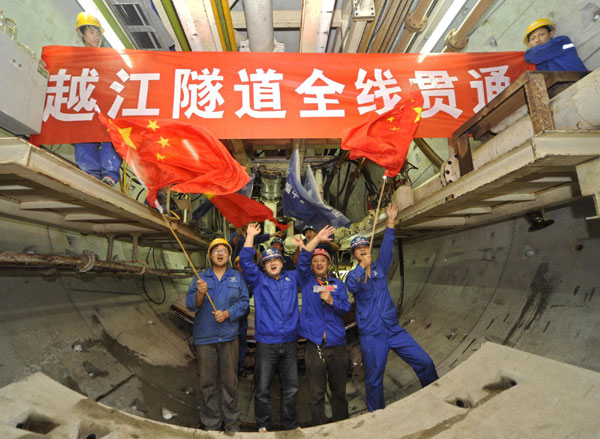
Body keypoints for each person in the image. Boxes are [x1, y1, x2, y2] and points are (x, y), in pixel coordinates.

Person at [345, 204, 438, 412]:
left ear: (369, 249)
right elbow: (351, 287)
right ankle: (377, 415)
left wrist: (390, 222)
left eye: (365, 247)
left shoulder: (380, 268)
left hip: (394, 330)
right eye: (358, 249)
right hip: (372, 335)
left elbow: (387, 247)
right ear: (355, 254)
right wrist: (362, 266)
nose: (363, 250)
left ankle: (435, 395)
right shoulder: (353, 275)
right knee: (374, 380)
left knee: (424, 362)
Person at [239, 223, 300, 432]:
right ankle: (263, 425)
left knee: (291, 387)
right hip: (266, 344)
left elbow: (308, 264)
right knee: (263, 388)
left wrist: (309, 243)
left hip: (290, 343)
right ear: (263, 266)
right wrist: (250, 236)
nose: (273, 263)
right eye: (268, 261)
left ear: (282, 263)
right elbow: (246, 261)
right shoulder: (259, 281)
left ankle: (290, 425)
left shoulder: (293, 278)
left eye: (276, 260)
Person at [185, 238, 249, 432]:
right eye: (216, 251)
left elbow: (244, 302)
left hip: (229, 337)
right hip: (206, 338)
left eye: (224, 251)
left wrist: (228, 313)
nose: (220, 254)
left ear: (229, 256)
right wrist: (200, 294)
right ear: (210, 255)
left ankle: (232, 423)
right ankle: (211, 422)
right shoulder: (201, 278)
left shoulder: (237, 277)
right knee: (207, 383)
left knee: (230, 382)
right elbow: (190, 304)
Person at [295, 225, 351, 426]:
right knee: (316, 394)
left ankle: (342, 427)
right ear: (312, 266)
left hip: (337, 345)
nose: (319, 263)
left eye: (322, 260)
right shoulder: (307, 281)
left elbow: (345, 308)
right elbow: (302, 258)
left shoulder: (337, 284)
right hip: (315, 346)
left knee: (339, 392)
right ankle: (319, 429)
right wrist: (317, 238)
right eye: (315, 261)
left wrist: (331, 301)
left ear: (328, 264)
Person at [74, 12, 123, 186]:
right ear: (81, 33)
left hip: (106, 104)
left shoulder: (109, 56)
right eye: (91, 32)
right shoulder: (74, 58)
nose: (96, 37)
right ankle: (90, 173)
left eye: (98, 33)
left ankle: (109, 175)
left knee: (111, 136)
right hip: (85, 104)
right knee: (84, 135)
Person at [233, 255, 251, 377]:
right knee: (230, 344)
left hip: (242, 317)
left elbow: (249, 293)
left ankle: (239, 369)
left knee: (241, 344)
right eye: (238, 263)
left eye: (242, 263)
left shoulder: (249, 277)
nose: (240, 265)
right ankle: (231, 369)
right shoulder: (230, 276)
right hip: (230, 317)